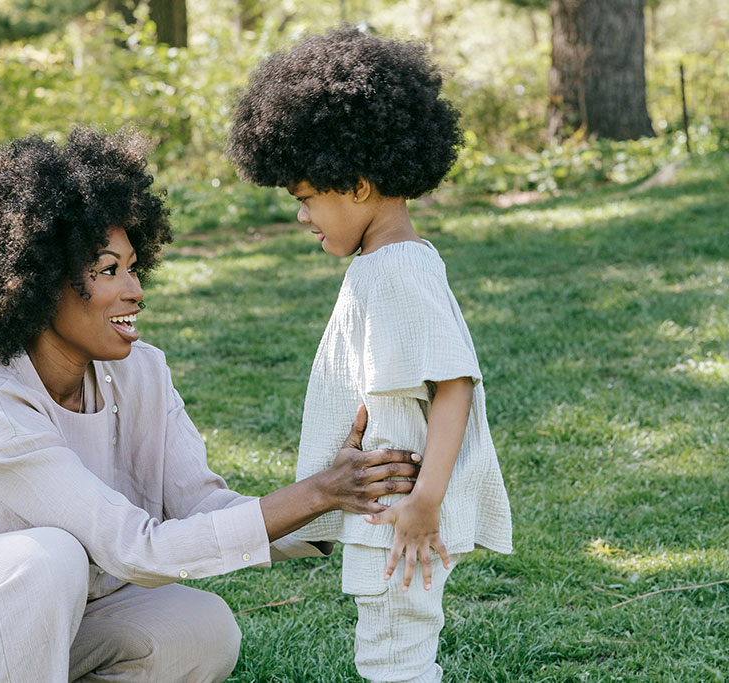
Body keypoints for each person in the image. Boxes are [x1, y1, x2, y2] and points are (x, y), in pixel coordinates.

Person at [0, 129, 423, 683]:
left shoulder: (142, 372)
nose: (135, 290)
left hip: (26, 617)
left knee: (199, 627)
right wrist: (316, 493)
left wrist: (338, 502)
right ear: (37, 283)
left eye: (133, 266)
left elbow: (200, 504)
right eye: (108, 270)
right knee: (45, 559)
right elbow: (137, 548)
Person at [227, 26, 513, 683]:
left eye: (305, 197)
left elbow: (455, 385)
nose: (301, 216)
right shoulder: (384, 265)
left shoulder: (399, 269)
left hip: (402, 510)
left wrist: (426, 502)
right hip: (384, 505)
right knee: (389, 651)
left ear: (355, 183)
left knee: (395, 657)